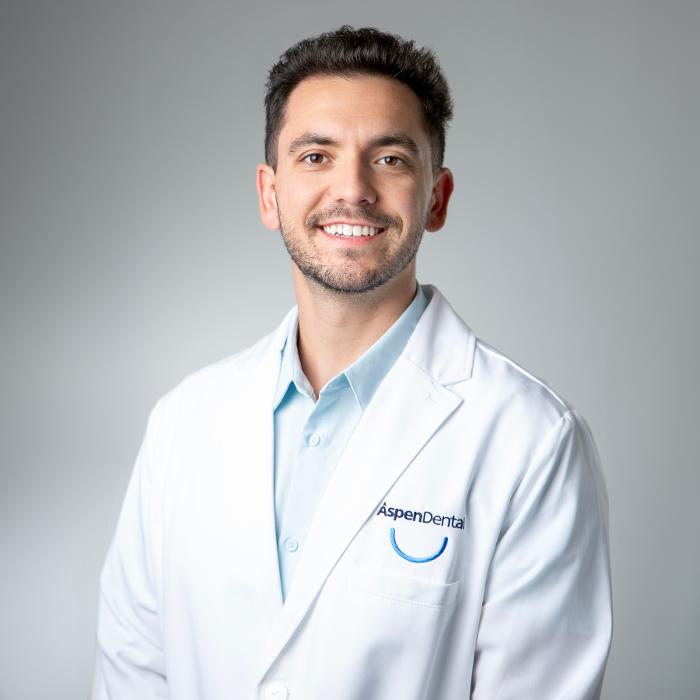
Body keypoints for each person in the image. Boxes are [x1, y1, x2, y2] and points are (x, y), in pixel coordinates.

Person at [92, 25, 613, 700]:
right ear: (269, 194)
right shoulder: (183, 423)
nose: (354, 189)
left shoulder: (531, 441)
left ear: (437, 198)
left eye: (390, 159)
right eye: (316, 156)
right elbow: (132, 674)